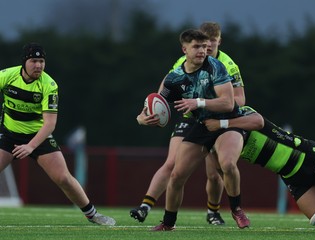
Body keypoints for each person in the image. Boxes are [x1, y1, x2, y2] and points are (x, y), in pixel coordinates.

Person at [131, 22, 246, 226]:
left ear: (219, 41)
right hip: (197, 121)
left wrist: (200, 102)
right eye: (199, 46)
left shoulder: (220, 65)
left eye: (208, 44)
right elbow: (159, 100)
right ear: (185, 50)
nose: (205, 49)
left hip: (226, 120)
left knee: (222, 167)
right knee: (175, 172)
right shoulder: (177, 72)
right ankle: (161, 218)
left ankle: (230, 210)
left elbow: (232, 102)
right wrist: (142, 117)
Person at [0, 43, 116, 226]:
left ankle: (93, 215)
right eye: (33, 61)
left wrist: (31, 146)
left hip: (39, 136)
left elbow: (50, 124)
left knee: (63, 178)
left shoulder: (49, 85)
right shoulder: (6, 76)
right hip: (8, 135)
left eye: (41, 61)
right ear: (24, 62)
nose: (38, 65)